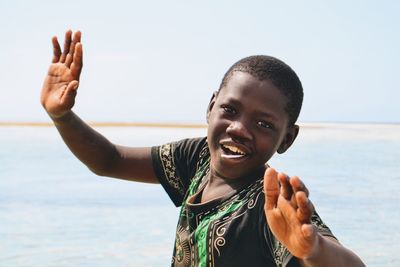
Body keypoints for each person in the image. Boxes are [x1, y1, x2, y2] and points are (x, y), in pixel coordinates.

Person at [40, 30, 365, 267]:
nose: (239, 129)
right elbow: (110, 160)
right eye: (230, 110)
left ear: (287, 139)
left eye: (264, 124)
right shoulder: (196, 158)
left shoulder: (271, 204)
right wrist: (62, 115)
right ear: (211, 106)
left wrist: (312, 250)